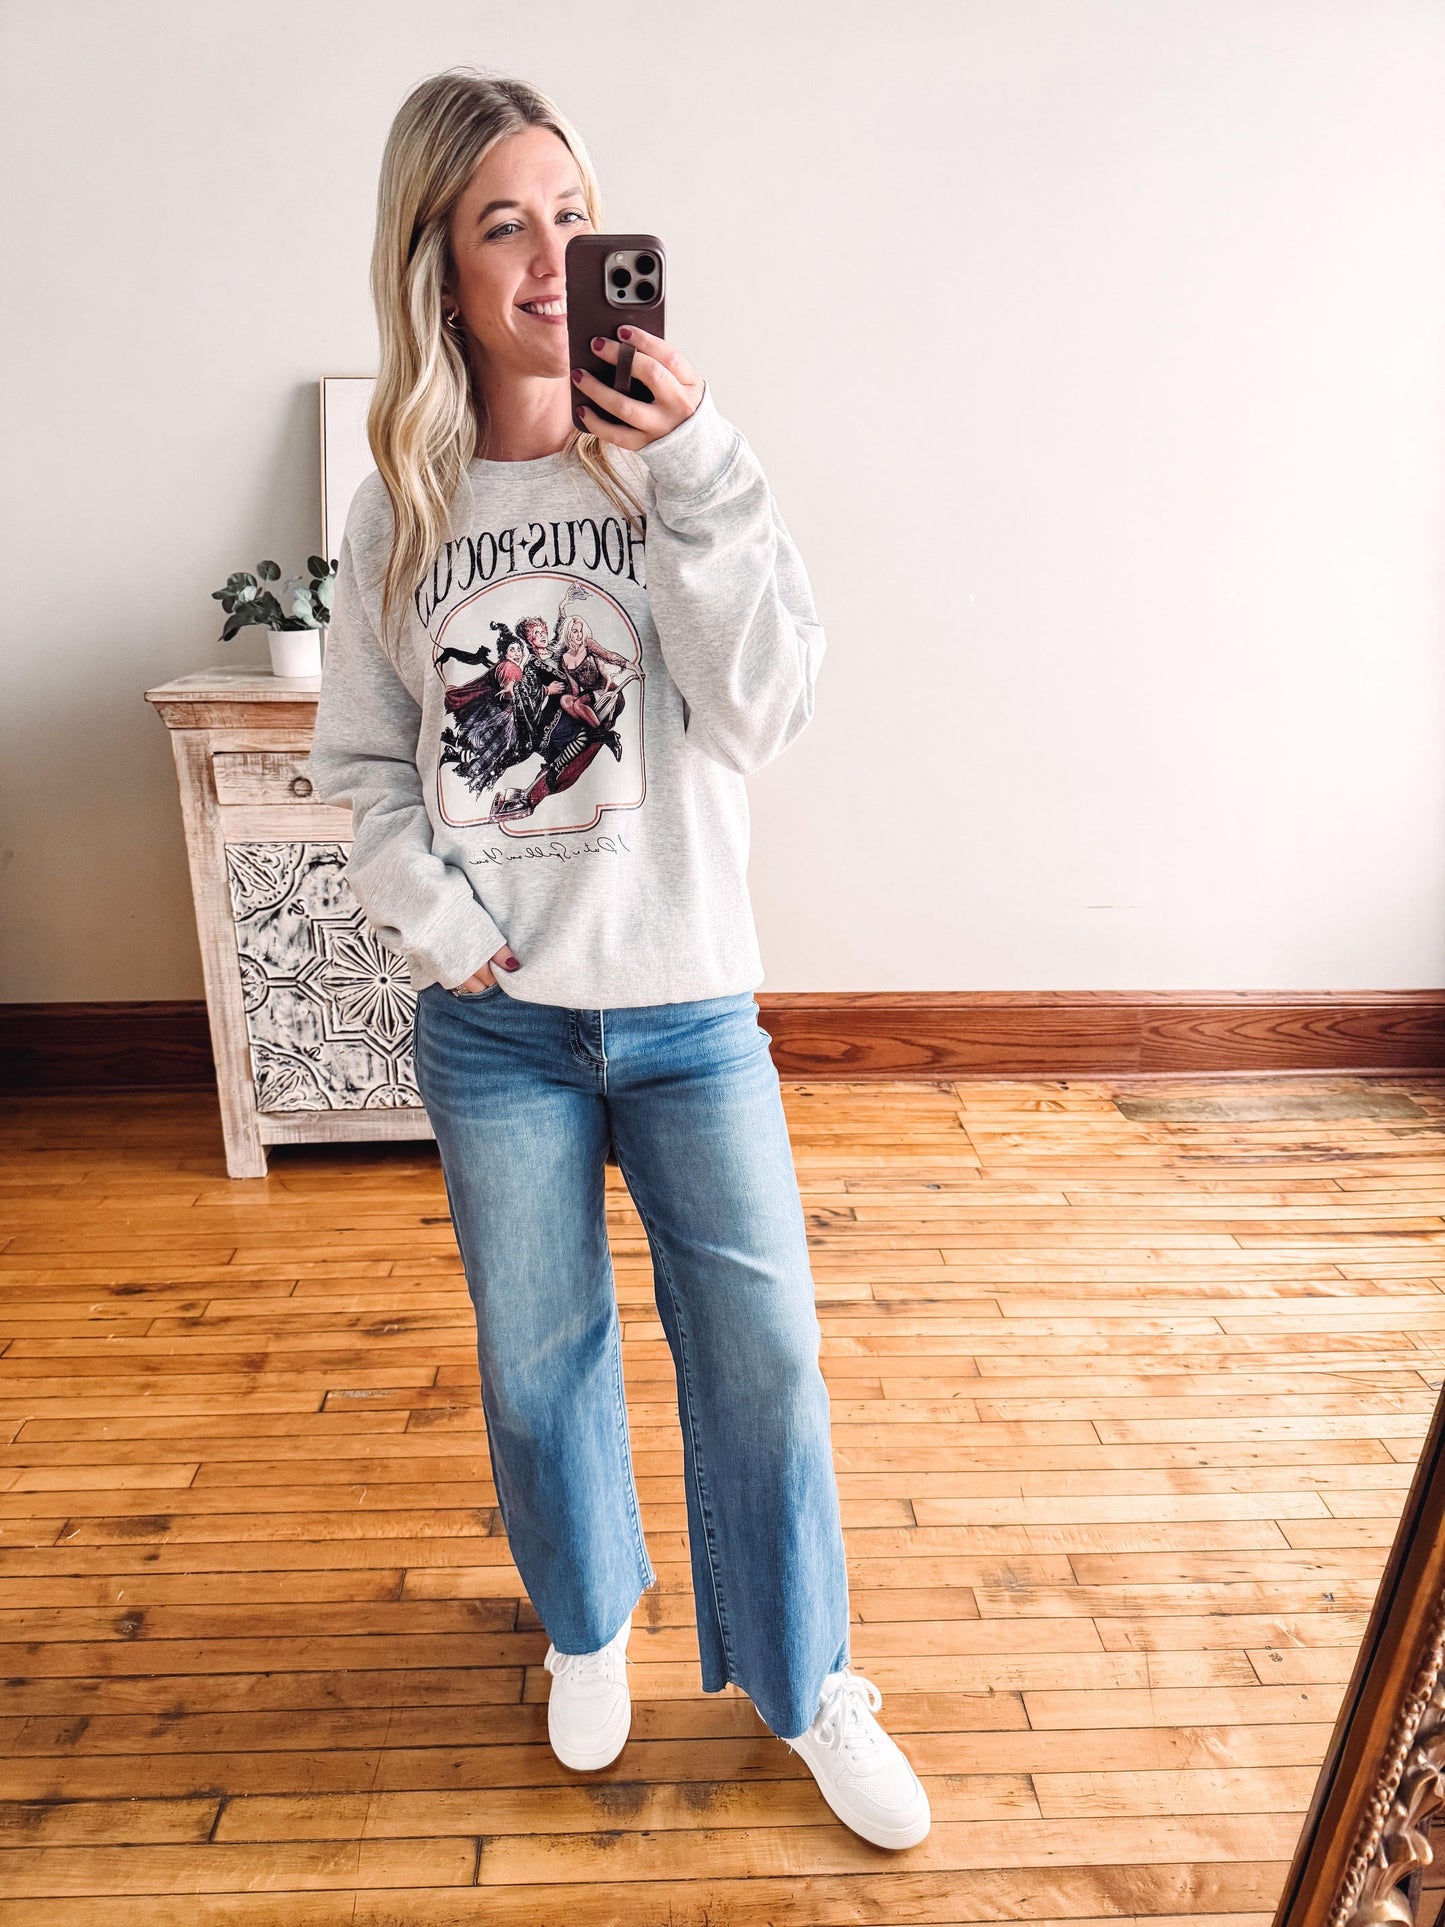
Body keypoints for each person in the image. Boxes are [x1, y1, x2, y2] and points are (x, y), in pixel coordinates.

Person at [307, 67, 931, 1852]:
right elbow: (359, 768)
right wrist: (452, 929)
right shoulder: (400, 511)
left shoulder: (671, 462)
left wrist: (694, 469)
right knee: (539, 1359)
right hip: (498, 1029)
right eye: (504, 220)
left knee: (764, 1358)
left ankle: (805, 1680)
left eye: (573, 214)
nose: (550, 252)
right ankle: (589, 1627)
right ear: (437, 265)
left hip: (684, 1006)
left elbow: (761, 711)